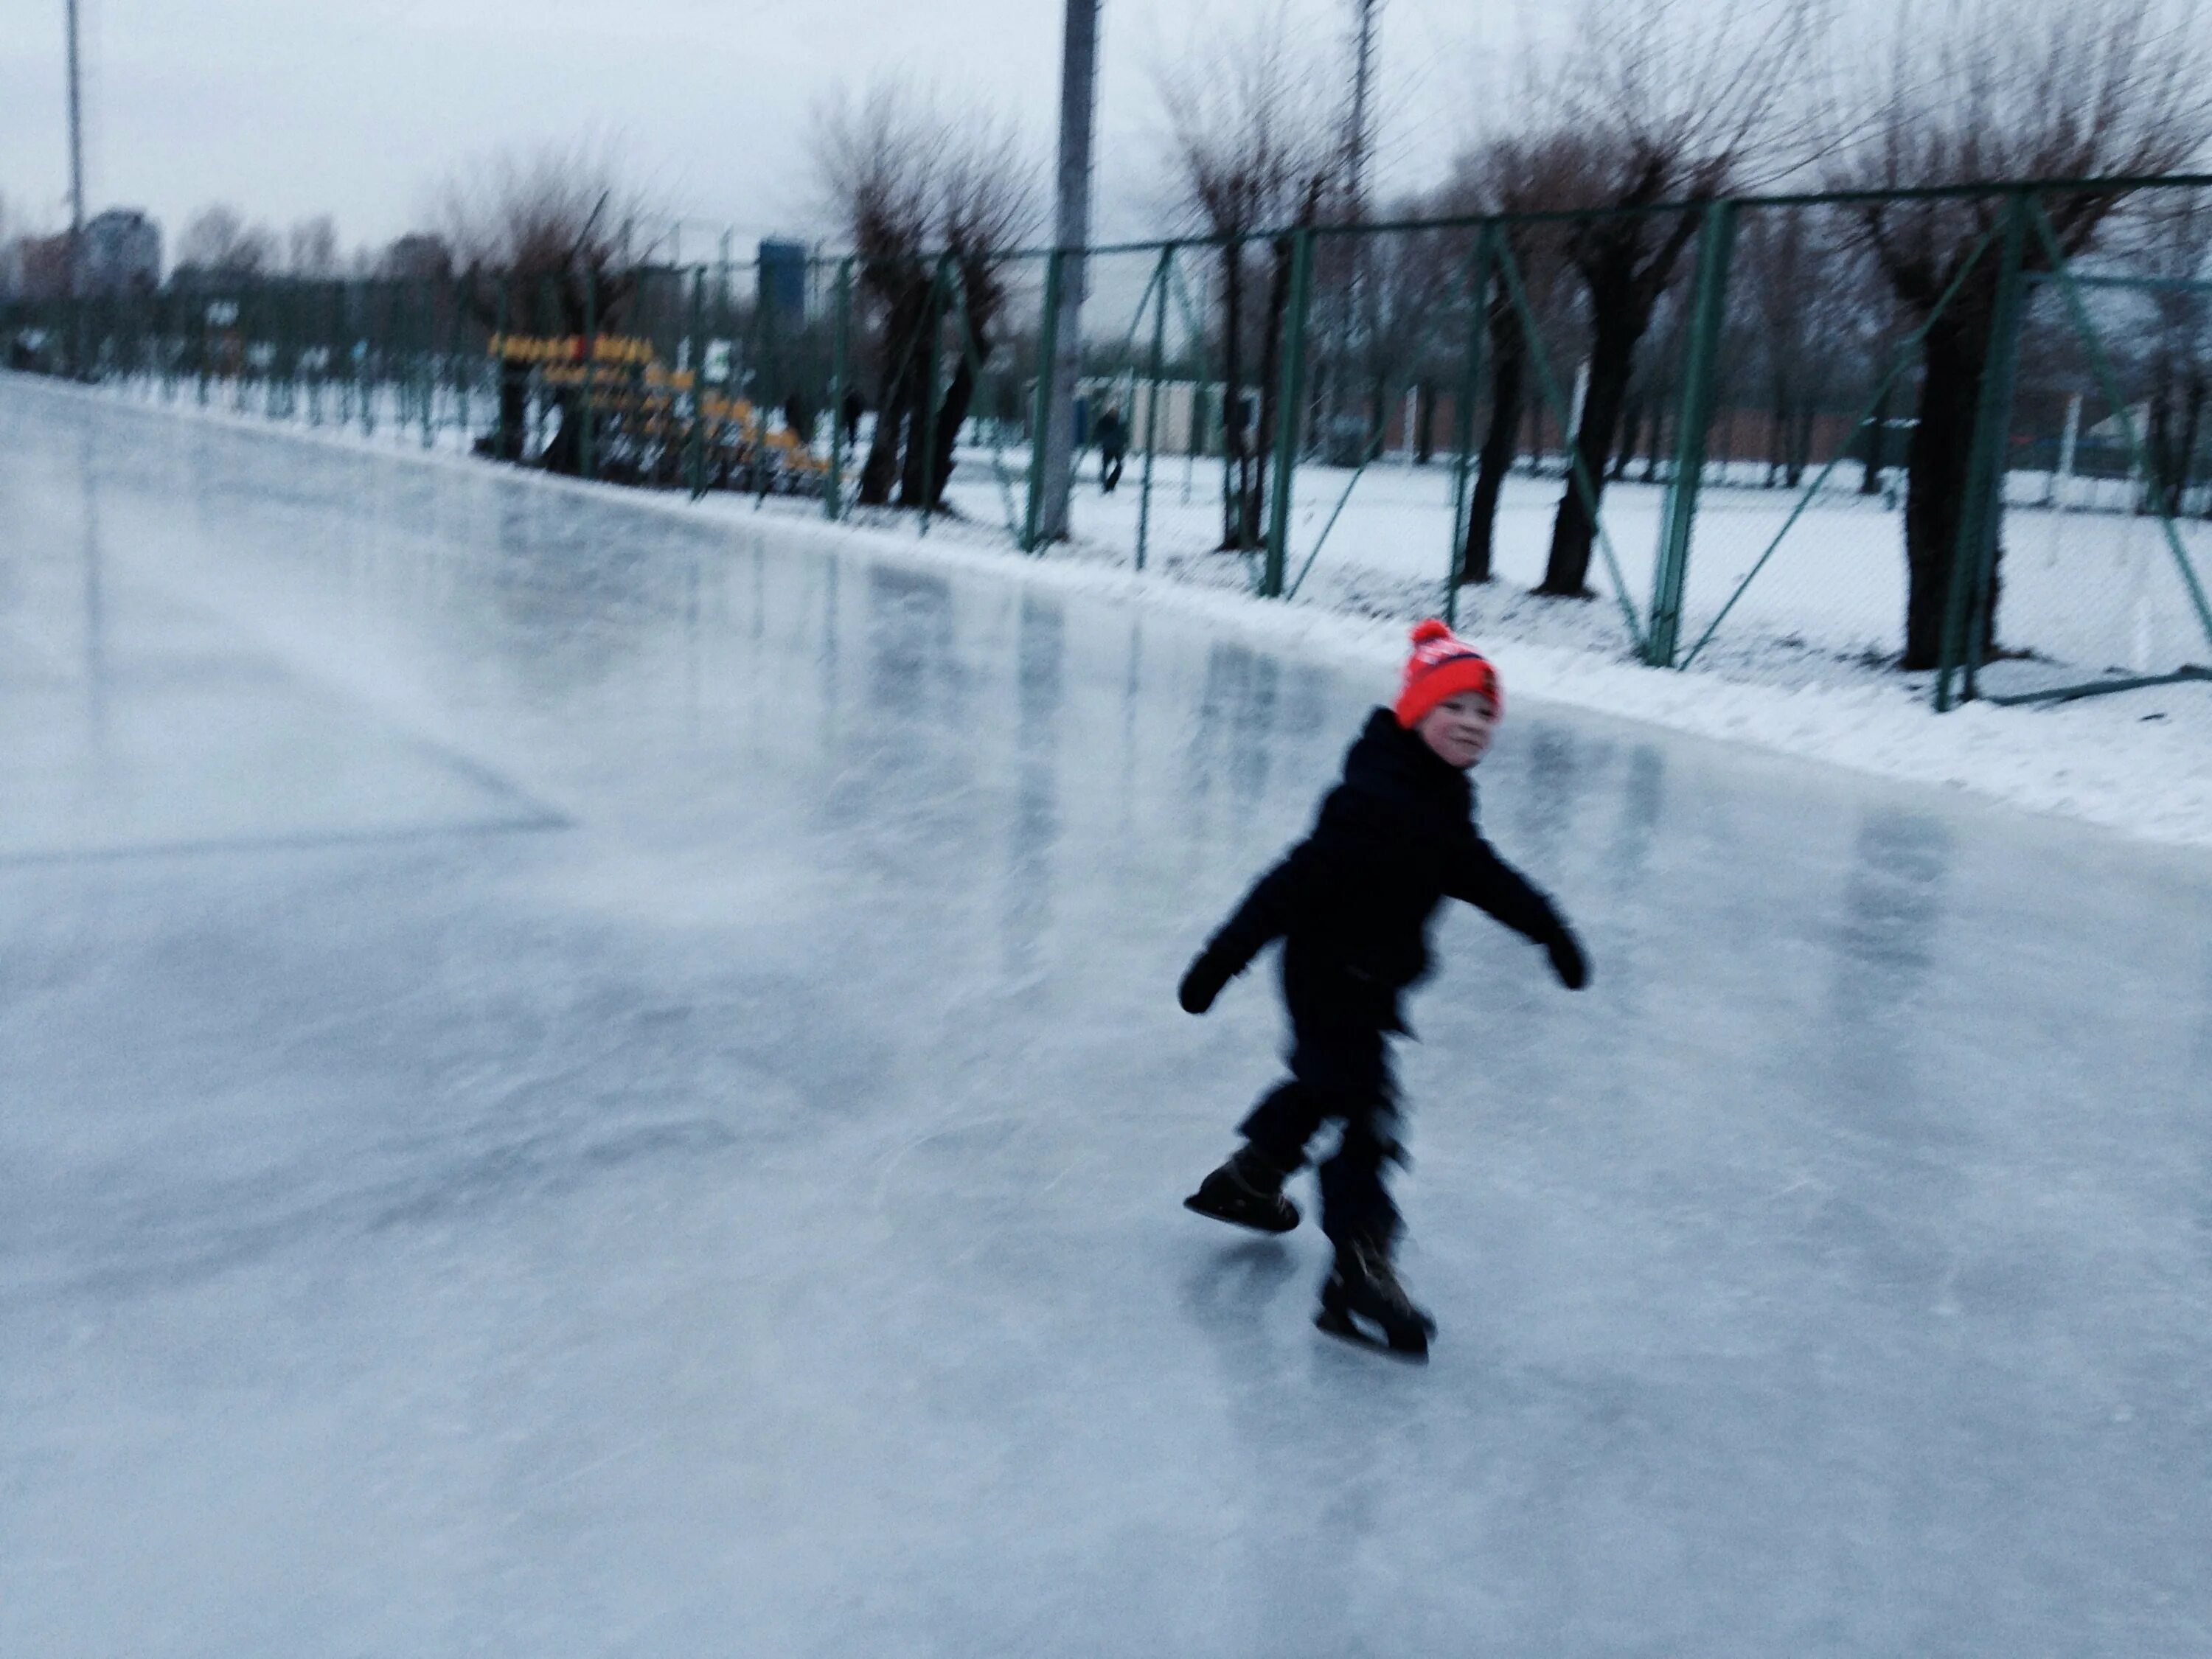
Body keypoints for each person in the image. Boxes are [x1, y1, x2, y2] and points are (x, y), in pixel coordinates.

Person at [1176, 619, 1590, 1359]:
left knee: (1322, 1087)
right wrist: (1219, 960)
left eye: (1485, 712)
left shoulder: (1439, 797)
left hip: (1364, 983)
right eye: (1453, 707)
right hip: (1326, 976)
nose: (1473, 723)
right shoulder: (1373, 801)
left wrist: (1548, 928)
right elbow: (1288, 884)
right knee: (1369, 1117)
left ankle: (1249, 1178)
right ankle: (1358, 1276)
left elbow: (1478, 873)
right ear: (1416, 712)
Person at [1095, 404, 1127, 493]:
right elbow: (1099, 433)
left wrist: (1122, 443)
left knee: (1119, 466)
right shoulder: (1104, 421)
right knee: (1105, 467)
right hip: (1108, 447)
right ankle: (1106, 485)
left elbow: (1123, 434)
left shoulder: (1119, 422)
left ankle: (1110, 484)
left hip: (1117, 447)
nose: (1115, 413)